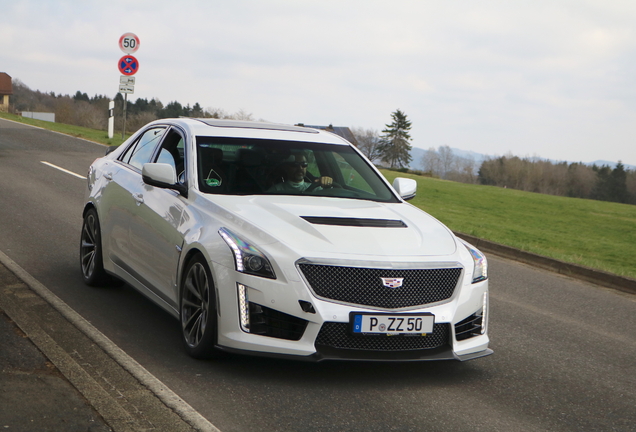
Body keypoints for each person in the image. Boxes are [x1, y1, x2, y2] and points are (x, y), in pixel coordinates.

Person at [268, 153, 333, 193]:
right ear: (286, 167)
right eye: (295, 165)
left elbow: (332, 198)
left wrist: (327, 183)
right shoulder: (276, 190)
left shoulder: (316, 188)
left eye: (304, 164)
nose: (300, 168)